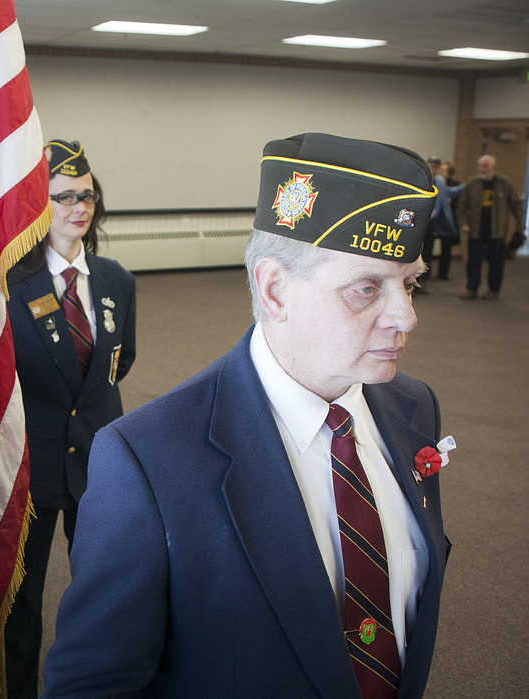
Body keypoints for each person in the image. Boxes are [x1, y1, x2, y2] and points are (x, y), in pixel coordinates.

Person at [44, 133, 451, 698]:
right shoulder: (148, 462)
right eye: (366, 289)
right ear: (275, 289)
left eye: (410, 283)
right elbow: (94, 685)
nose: (406, 318)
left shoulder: (412, 407)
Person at [4, 138, 137, 698]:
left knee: (103, 589)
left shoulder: (115, 280)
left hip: (101, 461)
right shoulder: (12, 285)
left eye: (87, 195)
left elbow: (119, 360)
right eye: (63, 197)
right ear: (39, 205)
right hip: (32, 467)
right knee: (24, 597)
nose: (79, 207)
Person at [456, 154, 525, 300]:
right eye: (481, 165)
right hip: (475, 230)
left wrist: (520, 227)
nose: (483, 169)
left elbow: (517, 205)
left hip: (497, 231)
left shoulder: (504, 183)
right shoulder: (472, 183)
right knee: (473, 261)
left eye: (486, 166)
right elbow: (461, 205)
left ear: (493, 167)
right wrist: (464, 223)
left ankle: (493, 290)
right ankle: (471, 288)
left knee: (496, 262)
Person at [422, 157, 464, 282]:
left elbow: (448, 193)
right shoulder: (421, 179)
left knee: (429, 251)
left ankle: (425, 280)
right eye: (431, 166)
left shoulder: (440, 181)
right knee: (420, 251)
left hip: (435, 222)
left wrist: (464, 187)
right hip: (422, 220)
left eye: (436, 167)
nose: (433, 170)